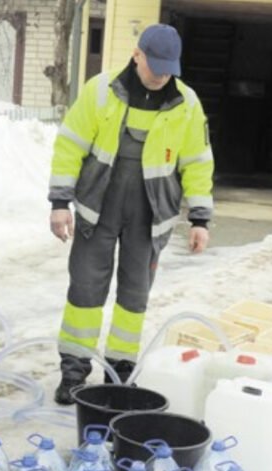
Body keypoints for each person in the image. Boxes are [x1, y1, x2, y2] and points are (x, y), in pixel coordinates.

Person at [49, 23, 214, 404]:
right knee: (85, 294)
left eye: (168, 68)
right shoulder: (101, 91)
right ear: (137, 54)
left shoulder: (186, 103)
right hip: (97, 209)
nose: (161, 75)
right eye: (154, 65)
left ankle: (120, 375)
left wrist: (201, 219)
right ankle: (73, 374)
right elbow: (70, 146)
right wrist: (60, 202)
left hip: (150, 214)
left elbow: (198, 162)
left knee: (134, 298)